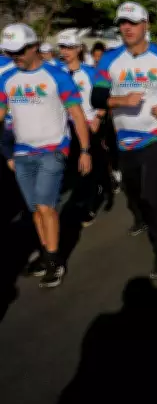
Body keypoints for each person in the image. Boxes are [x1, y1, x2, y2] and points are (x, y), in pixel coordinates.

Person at [91, 1, 157, 279]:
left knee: (151, 194)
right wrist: (121, 100)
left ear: (146, 25)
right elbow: (96, 97)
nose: (127, 28)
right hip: (125, 139)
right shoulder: (109, 60)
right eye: (123, 22)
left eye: (133, 22)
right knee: (135, 195)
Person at [0, 23, 92, 288]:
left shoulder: (57, 76)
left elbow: (76, 114)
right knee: (35, 211)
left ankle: (54, 260)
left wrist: (84, 150)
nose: (14, 56)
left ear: (34, 47)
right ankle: (45, 253)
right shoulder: (7, 79)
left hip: (53, 150)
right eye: (9, 51)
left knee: (45, 206)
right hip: (22, 153)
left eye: (19, 51)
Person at [57, 30, 107, 227]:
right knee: (70, 169)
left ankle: (90, 203)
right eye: (62, 47)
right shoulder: (56, 72)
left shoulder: (90, 72)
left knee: (88, 167)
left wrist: (98, 117)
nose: (65, 51)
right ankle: (80, 198)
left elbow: (104, 97)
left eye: (69, 47)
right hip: (64, 129)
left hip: (87, 126)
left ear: (79, 49)